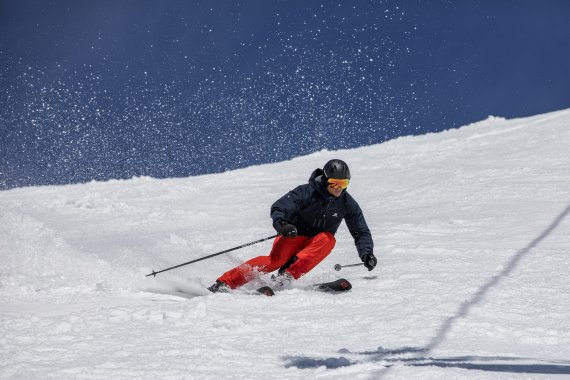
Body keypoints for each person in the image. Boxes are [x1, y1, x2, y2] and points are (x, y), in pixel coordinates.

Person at [208, 159, 376, 292]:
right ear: (325, 180)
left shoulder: (347, 203)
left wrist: (367, 254)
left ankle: (285, 278)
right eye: (334, 183)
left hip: (315, 244)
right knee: (274, 261)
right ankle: (224, 283)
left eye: (344, 184)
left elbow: (360, 230)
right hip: (292, 235)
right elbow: (279, 206)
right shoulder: (306, 192)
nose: (338, 188)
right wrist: (282, 224)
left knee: (328, 239)